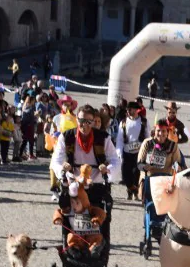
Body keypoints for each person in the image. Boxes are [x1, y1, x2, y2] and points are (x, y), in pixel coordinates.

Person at [51, 105, 122, 237]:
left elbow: (115, 160)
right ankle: (69, 241)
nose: (85, 125)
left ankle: (100, 243)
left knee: (104, 211)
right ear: (76, 119)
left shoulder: (103, 137)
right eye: (82, 121)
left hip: (97, 184)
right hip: (74, 185)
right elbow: (56, 159)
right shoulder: (66, 136)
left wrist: (108, 170)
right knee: (65, 208)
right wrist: (62, 169)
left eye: (89, 121)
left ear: (94, 122)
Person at [116, 101, 147, 199]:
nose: (128, 111)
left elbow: (147, 137)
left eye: (130, 109)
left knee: (136, 173)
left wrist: (147, 151)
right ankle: (131, 189)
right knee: (125, 174)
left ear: (136, 110)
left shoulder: (143, 122)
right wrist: (119, 152)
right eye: (127, 110)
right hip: (126, 152)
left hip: (139, 152)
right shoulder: (123, 122)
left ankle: (134, 192)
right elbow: (120, 139)